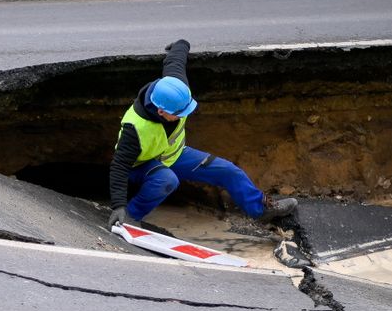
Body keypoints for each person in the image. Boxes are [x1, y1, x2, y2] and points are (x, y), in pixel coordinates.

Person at [108, 39, 296, 228]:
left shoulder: (177, 90)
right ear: (161, 112)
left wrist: (181, 45)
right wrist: (118, 205)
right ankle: (130, 217)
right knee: (167, 180)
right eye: (179, 114)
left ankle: (261, 210)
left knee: (228, 171)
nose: (185, 115)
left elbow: (175, 63)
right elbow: (119, 166)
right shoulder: (135, 128)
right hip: (140, 167)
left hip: (175, 156)